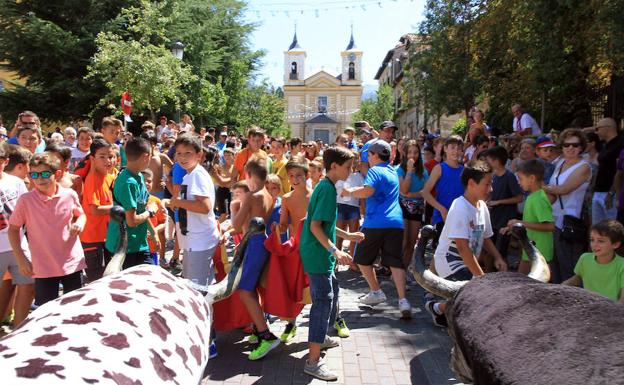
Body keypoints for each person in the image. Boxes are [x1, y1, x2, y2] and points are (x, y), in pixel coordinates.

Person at [301, 146, 363, 381]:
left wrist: (348, 237)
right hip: (318, 256)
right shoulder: (327, 190)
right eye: (348, 167)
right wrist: (336, 250)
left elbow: (321, 223)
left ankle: (322, 339)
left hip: (317, 253)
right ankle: (312, 361)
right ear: (334, 166)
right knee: (322, 303)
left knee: (332, 292)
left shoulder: (325, 186)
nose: (351, 170)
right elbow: (315, 226)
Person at [425, 160, 508, 327]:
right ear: (471, 183)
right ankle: (438, 307)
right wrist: (480, 277)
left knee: (472, 296)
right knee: (475, 295)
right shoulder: (460, 207)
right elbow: (462, 248)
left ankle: (439, 309)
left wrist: (498, 257)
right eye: (487, 184)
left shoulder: (482, 206)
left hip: (467, 262)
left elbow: (485, 237)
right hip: (450, 262)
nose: (491, 189)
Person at [342, 140, 411, 318]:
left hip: (375, 223)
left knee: (362, 260)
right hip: (395, 222)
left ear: (375, 155)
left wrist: (348, 192)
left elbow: (367, 191)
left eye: (369, 154)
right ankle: (403, 302)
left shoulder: (375, 170)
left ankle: (376, 291)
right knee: (396, 262)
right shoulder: (392, 171)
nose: (368, 158)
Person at [8, 153, 86, 306]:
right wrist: (21, 259)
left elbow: (81, 214)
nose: (39, 179)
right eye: (34, 174)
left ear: (56, 174)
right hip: (43, 267)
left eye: (44, 174)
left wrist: (80, 223)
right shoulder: (26, 201)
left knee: (74, 308)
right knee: (46, 311)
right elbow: (13, 229)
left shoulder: (69, 195)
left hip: (72, 263)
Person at [231, 154, 280, 360]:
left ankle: (265, 335)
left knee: (244, 291)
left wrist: (236, 206)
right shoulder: (268, 194)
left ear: (248, 174)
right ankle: (261, 330)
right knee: (252, 289)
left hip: (254, 244)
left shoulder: (253, 195)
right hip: (263, 243)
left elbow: (236, 225)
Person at [544, 129, 591, 283]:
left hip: (570, 222)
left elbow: (564, 190)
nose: (570, 148)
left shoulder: (584, 167)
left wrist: (540, 186)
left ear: (581, 147)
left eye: (575, 145)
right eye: (567, 145)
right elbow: (554, 189)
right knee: (554, 264)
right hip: (554, 219)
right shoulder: (560, 163)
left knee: (570, 267)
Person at [105, 138, 158, 269]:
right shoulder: (128, 182)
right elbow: (132, 220)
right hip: (124, 249)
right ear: (146, 156)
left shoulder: (139, 175)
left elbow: (141, 208)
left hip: (139, 243)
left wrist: (153, 232)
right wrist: (151, 212)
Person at [501, 160, 554, 275]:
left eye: (520, 179)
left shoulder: (539, 199)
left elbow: (550, 226)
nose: (519, 183)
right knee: (521, 281)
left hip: (540, 251)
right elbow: (531, 222)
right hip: (530, 249)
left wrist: (521, 223)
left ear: (532, 178)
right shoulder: (532, 197)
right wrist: (514, 227)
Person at [0, 145, 33, 326]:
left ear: (5, 162)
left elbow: (26, 211)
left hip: (18, 245)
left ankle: (19, 328)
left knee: (27, 286)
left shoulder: (16, 182)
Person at [80, 138, 116, 283]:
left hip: (106, 237)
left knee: (109, 278)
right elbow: (95, 210)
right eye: (102, 156)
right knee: (97, 282)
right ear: (93, 159)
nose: (108, 160)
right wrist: (119, 209)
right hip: (93, 240)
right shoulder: (93, 178)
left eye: (111, 156)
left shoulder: (109, 176)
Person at [563, 220, 624, 303]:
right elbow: (577, 278)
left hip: (612, 312)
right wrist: (558, 288)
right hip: (588, 308)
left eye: (601, 241)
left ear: (615, 244)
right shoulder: (584, 258)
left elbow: (622, 300)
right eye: (592, 240)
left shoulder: (622, 265)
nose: (594, 244)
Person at [421, 135, 465, 245]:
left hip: (460, 216)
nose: (456, 151)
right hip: (443, 217)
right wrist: (442, 209)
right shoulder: (439, 168)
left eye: (459, 148)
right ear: (445, 149)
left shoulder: (464, 170)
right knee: (442, 251)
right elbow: (425, 192)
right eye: (453, 147)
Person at [484, 146, 523, 259]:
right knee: (489, 251)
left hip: (505, 221)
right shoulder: (493, 175)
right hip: (493, 220)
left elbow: (519, 198)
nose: (487, 162)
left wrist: (499, 202)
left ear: (496, 161)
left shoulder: (509, 177)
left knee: (500, 252)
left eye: (489, 160)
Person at [397, 140, 428, 269]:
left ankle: (404, 271)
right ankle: (396, 270)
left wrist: (414, 195)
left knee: (411, 244)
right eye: (410, 152)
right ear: (405, 153)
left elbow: (426, 191)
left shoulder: (424, 171)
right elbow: (403, 190)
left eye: (415, 152)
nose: (413, 155)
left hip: (417, 207)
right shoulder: (400, 169)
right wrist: (409, 171)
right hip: (403, 206)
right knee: (402, 243)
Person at [593, 118, 624, 224]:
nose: (596, 132)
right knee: (597, 228)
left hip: (610, 194)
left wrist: (611, 193)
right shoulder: (605, 145)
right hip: (598, 191)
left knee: (611, 229)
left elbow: (619, 173)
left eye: (598, 129)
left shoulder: (620, 144)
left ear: (607, 128)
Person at [335, 151, 364, 265]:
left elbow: (362, 194)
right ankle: (336, 261)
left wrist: (363, 210)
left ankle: (352, 261)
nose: (355, 161)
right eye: (353, 159)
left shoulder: (359, 176)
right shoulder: (340, 175)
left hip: (353, 208)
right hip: (340, 206)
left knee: (354, 234)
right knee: (339, 236)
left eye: (357, 158)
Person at [142, 170, 166, 266]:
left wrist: (154, 230)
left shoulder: (156, 201)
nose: (146, 183)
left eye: (149, 181)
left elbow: (163, 223)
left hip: (152, 248)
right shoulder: (132, 201)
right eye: (143, 181)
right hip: (137, 248)